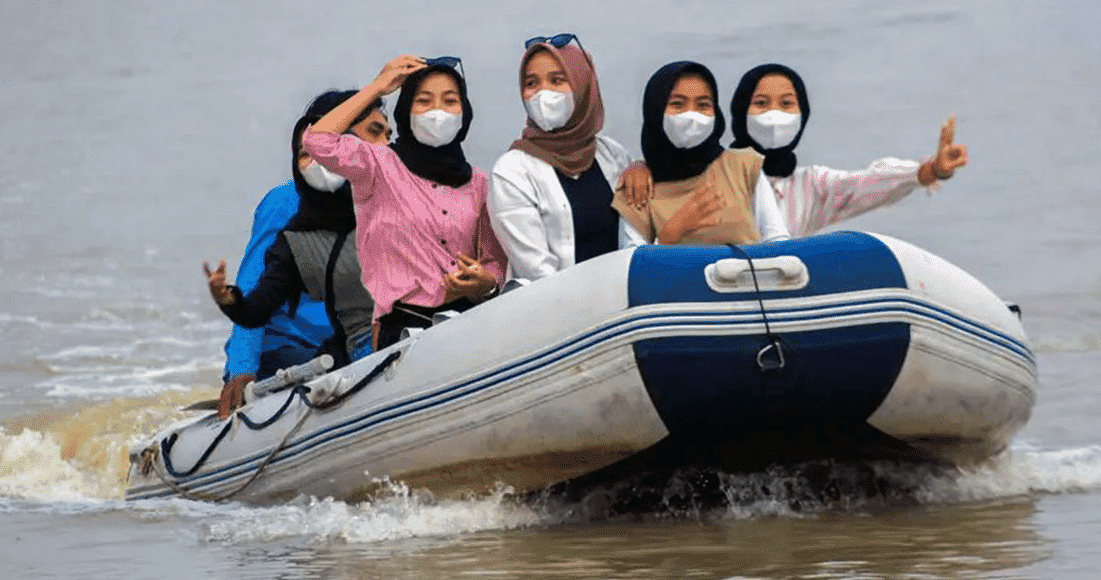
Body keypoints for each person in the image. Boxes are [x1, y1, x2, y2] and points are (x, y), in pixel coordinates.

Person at [302, 55, 507, 349]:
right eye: (424, 101)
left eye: (449, 101)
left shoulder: (478, 183)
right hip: (405, 326)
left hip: (470, 321)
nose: (437, 112)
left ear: (465, 112)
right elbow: (317, 141)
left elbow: (495, 261)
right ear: (406, 109)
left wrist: (485, 284)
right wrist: (378, 87)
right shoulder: (378, 165)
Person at [203, 92, 389, 412]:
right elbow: (252, 290)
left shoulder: (382, 201)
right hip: (286, 351)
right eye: (374, 133)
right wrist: (242, 371)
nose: (386, 144)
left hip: (347, 343)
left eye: (389, 135)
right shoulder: (286, 202)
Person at [728, 63, 968, 237]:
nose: (774, 114)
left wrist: (932, 170)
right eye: (761, 103)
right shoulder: (717, 175)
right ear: (740, 111)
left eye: (787, 104)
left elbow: (867, 184)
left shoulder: (811, 186)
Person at [488, 33, 650, 285]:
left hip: (620, 307)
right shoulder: (511, 171)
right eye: (531, 83)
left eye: (557, 80)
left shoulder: (612, 155)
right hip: (556, 313)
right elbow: (537, 270)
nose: (543, 93)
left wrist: (641, 166)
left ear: (583, 84)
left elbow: (635, 237)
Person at [613, 60, 789, 246]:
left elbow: (778, 239)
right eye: (678, 104)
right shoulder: (636, 188)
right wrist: (674, 230)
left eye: (703, 105)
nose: (692, 115)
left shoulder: (743, 167)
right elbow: (631, 264)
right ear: (655, 110)